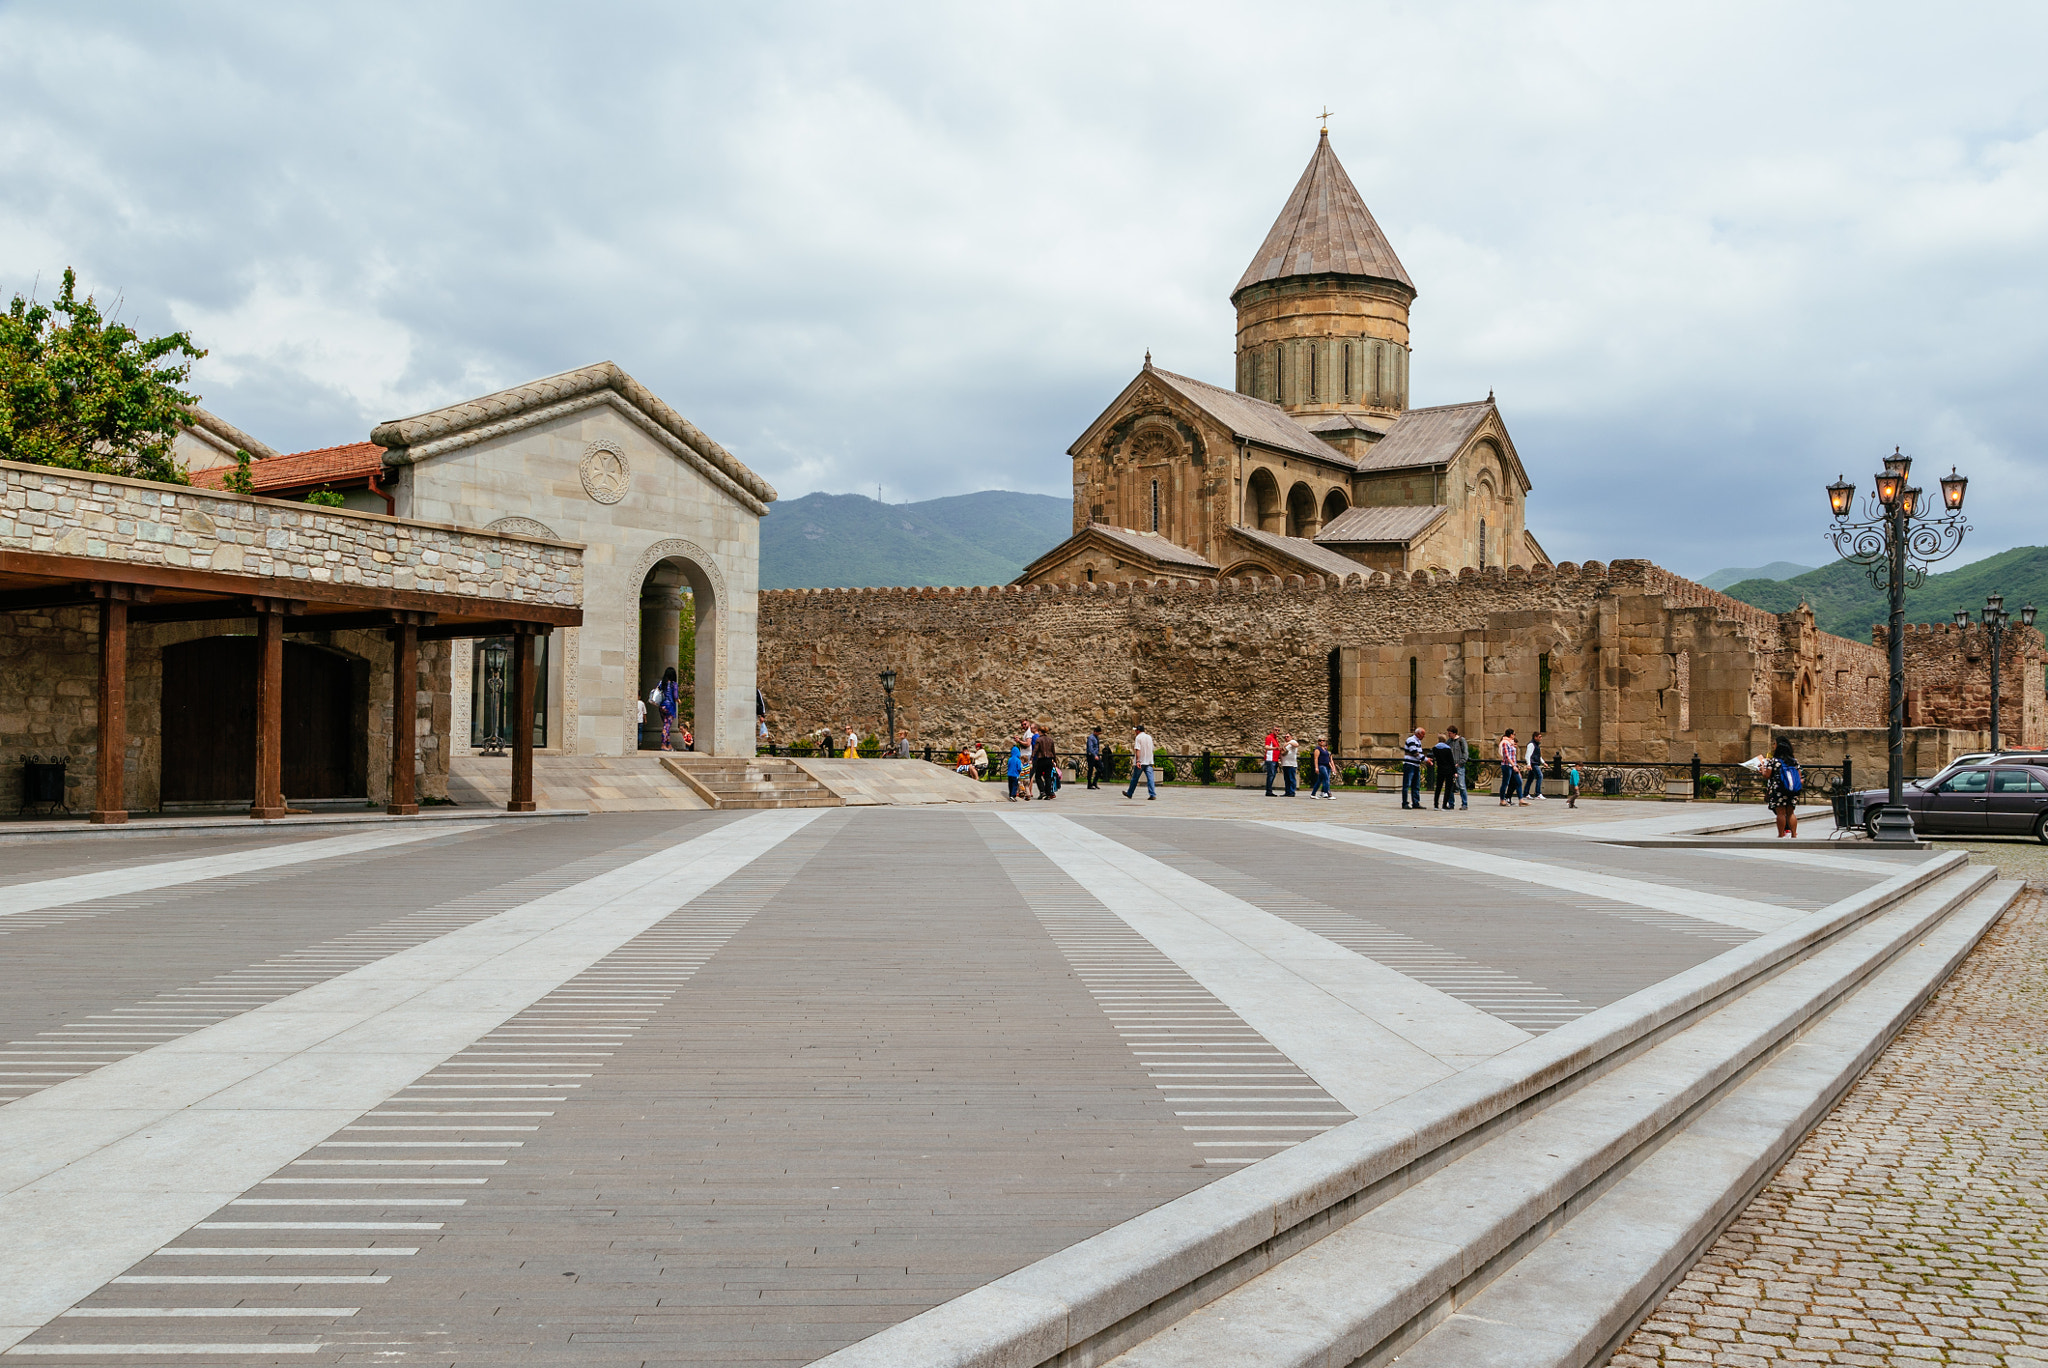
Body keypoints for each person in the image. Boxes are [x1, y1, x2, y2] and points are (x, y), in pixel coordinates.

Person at [1765, 738, 1802, 838]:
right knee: (1791, 813)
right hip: (1792, 790)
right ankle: (1794, 834)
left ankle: (1781, 834)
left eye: (1775, 744)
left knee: (1780, 813)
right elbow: (1799, 776)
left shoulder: (1774, 761)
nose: (1773, 746)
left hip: (1779, 790)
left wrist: (1761, 769)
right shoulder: (1794, 761)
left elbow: (1767, 775)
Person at [1125, 724, 1157, 800]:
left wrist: (1138, 761)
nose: (1135, 732)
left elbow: (1137, 749)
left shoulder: (1138, 737)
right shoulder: (1149, 737)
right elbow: (1152, 748)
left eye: (1136, 730)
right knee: (1150, 779)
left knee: (1135, 778)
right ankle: (1152, 794)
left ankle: (1130, 793)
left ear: (1138, 730)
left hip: (1141, 761)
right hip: (1149, 761)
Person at [1402, 726, 1426, 810]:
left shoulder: (1418, 741)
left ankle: (1415, 802)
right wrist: (1425, 759)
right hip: (1410, 765)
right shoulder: (1411, 740)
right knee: (1407, 784)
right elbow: (1414, 752)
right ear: (1418, 734)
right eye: (1423, 734)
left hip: (1416, 765)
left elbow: (1420, 753)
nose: (1424, 736)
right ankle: (1405, 803)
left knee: (1416, 785)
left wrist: (1423, 758)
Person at [1431, 731, 1455, 810]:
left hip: (1440, 769)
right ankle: (1444, 805)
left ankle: (1436, 805)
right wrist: (1455, 772)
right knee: (1447, 788)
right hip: (1448, 770)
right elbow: (1451, 761)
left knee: (1438, 787)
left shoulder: (1435, 749)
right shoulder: (1447, 749)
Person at [657, 667, 680, 750]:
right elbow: (675, 696)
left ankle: (669, 744)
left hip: (662, 706)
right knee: (666, 726)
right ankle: (663, 745)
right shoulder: (673, 684)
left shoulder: (661, 683)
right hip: (669, 707)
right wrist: (678, 700)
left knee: (666, 726)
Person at [1447, 726, 1469, 810]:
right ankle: (1451, 803)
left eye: (1450, 733)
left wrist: (1460, 762)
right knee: (1450, 785)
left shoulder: (1461, 740)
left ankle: (1464, 803)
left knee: (1461, 785)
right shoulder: (1449, 742)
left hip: (1459, 766)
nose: (1449, 735)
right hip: (1451, 766)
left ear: (1454, 733)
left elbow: (1465, 753)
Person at [1032, 726, 1057, 800]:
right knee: (1048, 777)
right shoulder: (1050, 740)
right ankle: (1048, 794)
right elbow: (1053, 751)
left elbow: (1035, 750)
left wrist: (1031, 758)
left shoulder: (1039, 740)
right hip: (1049, 759)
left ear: (1040, 731)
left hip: (1041, 759)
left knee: (1038, 776)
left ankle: (1042, 791)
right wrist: (1055, 760)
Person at [1497, 729, 1520, 806]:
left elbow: (1513, 756)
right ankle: (1502, 800)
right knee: (1505, 783)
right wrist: (1513, 765)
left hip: (1512, 765)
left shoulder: (1511, 743)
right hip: (1507, 765)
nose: (1514, 736)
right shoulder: (1505, 743)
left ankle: (1521, 799)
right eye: (1514, 734)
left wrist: (1515, 765)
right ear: (1510, 735)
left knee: (1518, 781)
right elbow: (1507, 756)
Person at [1526, 732, 1545, 800]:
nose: (1541, 738)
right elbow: (1528, 755)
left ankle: (1526, 793)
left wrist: (1543, 762)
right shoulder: (1531, 744)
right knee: (1540, 776)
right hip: (1533, 763)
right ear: (1535, 737)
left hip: (1535, 762)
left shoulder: (1536, 745)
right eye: (1539, 737)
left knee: (1530, 778)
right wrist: (1529, 764)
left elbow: (1538, 756)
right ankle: (1538, 793)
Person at [1264, 731, 1280, 797]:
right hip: (1270, 759)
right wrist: (1275, 748)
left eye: (1278, 730)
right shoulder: (1269, 737)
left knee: (1272, 775)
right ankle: (1268, 791)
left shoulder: (1275, 738)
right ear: (1273, 730)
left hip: (1275, 759)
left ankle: (1269, 790)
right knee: (1271, 775)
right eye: (1276, 730)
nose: (1277, 731)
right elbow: (1266, 747)